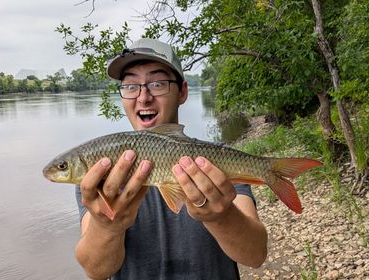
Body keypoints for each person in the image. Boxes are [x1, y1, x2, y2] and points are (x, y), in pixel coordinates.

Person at [75, 38, 268, 280]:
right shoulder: (98, 175)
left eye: (157, 84)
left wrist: (222, 217)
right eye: (131, 86)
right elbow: (96, 271)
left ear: (183, 92)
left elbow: (256, 255)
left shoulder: (215, 160)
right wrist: (107, 226)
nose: (143, 98)